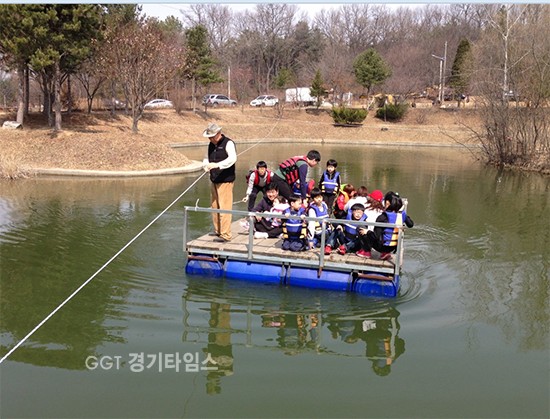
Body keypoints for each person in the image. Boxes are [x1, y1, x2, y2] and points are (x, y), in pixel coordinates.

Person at [202, 123, 237, 242]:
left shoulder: (228, 143)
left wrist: (217, 165)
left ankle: (225, 234)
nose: (210, 139)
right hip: (214, 180)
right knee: (215, 206)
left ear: (218, 134)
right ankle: (218, 230)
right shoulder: (210, 145)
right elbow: (206, 158)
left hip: (226, 181)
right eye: (209, 137)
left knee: (224, 207)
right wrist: (206, 165)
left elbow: (232, 159)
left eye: (212, 137)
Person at [357, 191, 414, 260]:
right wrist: (404, 220)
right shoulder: (402, 214)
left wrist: (367, 232)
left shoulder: (383, 217)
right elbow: (411, 224)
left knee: (360, 228)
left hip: (381, 247)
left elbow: (375, 236)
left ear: (387, 203)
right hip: (393, 247)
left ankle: (366, 252)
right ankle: (385, 253)